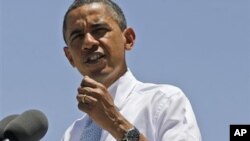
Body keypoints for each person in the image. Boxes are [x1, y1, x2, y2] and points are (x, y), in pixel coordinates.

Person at [61, 0, 202, 141]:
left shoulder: (165, 102)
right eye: (77, 36)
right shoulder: (71, 135)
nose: (88, 42)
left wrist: (116, 124)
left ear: (128, 39)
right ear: (70, 57)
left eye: (99, 30)